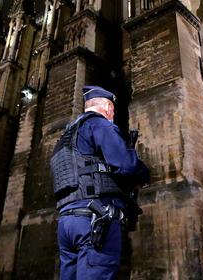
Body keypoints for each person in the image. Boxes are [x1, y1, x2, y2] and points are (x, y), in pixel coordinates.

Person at [51, 85, 149, 280]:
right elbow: (126, 164)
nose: (112, 113)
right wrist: (143, 174)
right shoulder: (99, 124)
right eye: (112, 109)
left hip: (67, 222)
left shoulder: (66, 137)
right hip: (95, 220)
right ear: (107, 106)